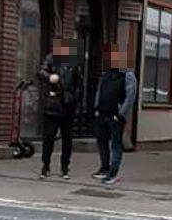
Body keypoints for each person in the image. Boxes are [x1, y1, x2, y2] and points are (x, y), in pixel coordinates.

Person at [38, 37, 82, 179]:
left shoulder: (74, 64)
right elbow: (41, 72)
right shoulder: (51, 59)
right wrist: (50, 77)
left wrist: (74, 98)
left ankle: (65, 167)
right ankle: (46, 165)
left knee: (67, 139)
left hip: (68, 107)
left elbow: (79, 84)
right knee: (49, 137)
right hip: (53, 105)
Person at [92, 44, 137, 185]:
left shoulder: (128, 76)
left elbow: (130, 97)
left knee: (115, 145)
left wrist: (121, 114)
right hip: (102, 113)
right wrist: (96, 108)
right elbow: (100, 91)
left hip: (115, 116)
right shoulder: (106, 74)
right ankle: (104, 168)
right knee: (101, 141)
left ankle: (112, 173)